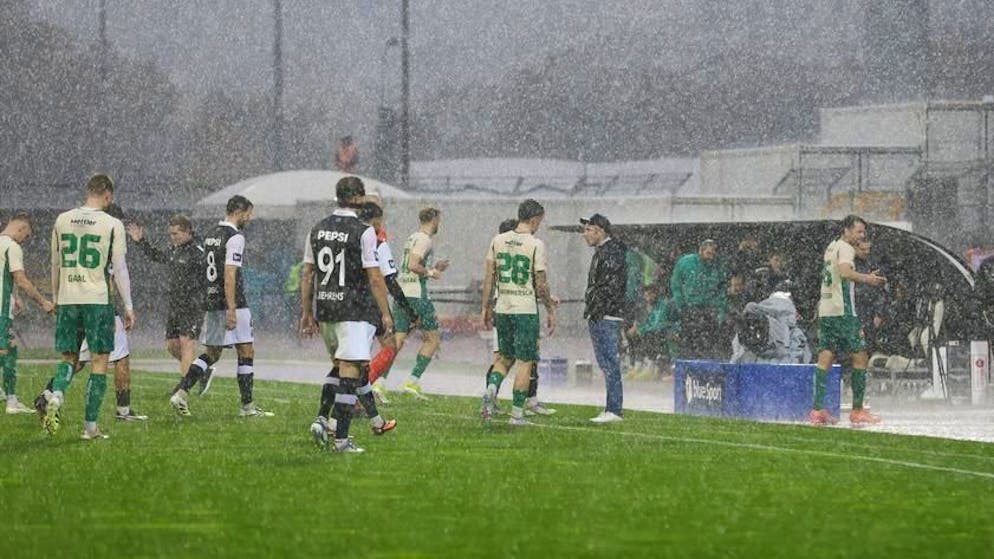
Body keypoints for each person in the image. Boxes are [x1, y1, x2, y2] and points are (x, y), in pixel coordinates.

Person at [300, 177, 395, 453]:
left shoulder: (317, 229)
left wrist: (306, 312)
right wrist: (385, 313)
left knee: (342, 367)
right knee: (350, 374)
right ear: (357, 198)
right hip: (353, 310)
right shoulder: (363, 231)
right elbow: (375, 277)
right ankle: (341, 440)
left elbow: (307, 274)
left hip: (326, 308)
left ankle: (326, 420)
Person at [39, 174, 137, 439]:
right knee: (99, 361)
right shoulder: (112, 223)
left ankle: (57, 394)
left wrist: (57, 296)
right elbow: (119, 269)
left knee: (69, 358)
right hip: (97, 300)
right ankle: (90, 427)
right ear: (108, 195)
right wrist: (128, 306)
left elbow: (55, 263)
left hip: (68, 298)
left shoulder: (62, 219)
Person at [168, 195, 273, 418]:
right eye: (248, 214)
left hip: (213, 301)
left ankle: (181, 392)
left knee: (212, 353)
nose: (249, 218)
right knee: (246, 351)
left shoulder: (211, 234)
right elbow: (229, 273)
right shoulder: (235, 237)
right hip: (233, 302)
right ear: (239, 212)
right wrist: (232, 308)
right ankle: (247, 407)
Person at [480, 200, 558, 425]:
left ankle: (492, 387)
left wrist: (485, 307)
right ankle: (517, 414)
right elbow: (541, 284)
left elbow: (489, 278)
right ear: (534, 219)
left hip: (502, 308)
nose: (539, 226)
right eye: (539, 221)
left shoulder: (498, 240)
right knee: (525, 361)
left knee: (504, 358)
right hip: (525, 310)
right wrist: (550, 308)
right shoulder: (535, 244)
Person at [810, 214, 887, 426]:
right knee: (860, 356)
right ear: (846, 230)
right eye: (858, 231)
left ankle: (817, 410)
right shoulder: (846, 248)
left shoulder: (831, 246)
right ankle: (858, 411)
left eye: (863, 232)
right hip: (843, 311)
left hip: (827, 310)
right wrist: (868, 279)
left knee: (825, 356)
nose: (861, 236)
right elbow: (845, 272)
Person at [127, 214, 211, 394]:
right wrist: (141, 242)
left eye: (176, 234)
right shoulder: (175, 249)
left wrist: (206, 301)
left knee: (186, 343)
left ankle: (182, 389)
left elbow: (210, 278)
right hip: (176, 304)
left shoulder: (198, 252)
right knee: (172, 345)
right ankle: (199, 370)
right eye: (171, 234)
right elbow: (158, 256)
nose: (173, 238)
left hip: (193, 304)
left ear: (188, 232)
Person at [356, 200, 418, 404]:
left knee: (351, 356)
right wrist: (408, 310)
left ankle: (347, 397)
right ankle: (359, 395)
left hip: (347, 303)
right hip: (371, 302)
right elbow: (390, 280)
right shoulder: (377, 244)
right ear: (376, 221)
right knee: (389, 347)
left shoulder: (351, 239)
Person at [0, 212, 55, 414]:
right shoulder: (12, 247)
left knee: (9, 347)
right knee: (6, 350)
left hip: (4, 303)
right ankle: (12, 402)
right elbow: (21, 280)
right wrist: (43, 302)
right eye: (27, 235)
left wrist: (15, 296)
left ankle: (9, 397)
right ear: (21, 227)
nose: (25, 239)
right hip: (0, 309)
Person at [392, 207, 449, 399]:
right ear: (434, 220)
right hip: (416, 295)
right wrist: (431, 272)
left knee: (397, 340)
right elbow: (413, 265)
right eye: (439, 220)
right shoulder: (425, 239)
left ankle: (378, 382)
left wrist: (434, 267)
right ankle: (412, 381)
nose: (439, 224)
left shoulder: (412, 237)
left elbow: (411, 265)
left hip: (402, 292)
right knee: (432, 340)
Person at [581, 213, 628, 423]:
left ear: (600, 231)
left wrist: (597, 305)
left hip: (606, 315)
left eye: (588, 230)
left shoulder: (611, 252)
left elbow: (610, 286)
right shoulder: (605, 251)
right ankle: (611, 407)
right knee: (606, 363)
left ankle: (614, 409)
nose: (585, 234)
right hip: (601, 313)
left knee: (610, 362)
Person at [670, 239, 728, 360]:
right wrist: (681, 304)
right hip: (690, 308)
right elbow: (676, 283)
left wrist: (719, 309)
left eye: (713, 254)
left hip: (709, 310)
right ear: (700, 250)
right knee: (689, 341)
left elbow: (722, 289)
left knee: (708, 342)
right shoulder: (686, 262)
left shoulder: (718, 266)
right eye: (708, 253)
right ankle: (688, 364)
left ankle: (705, 364)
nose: (711, 257)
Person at [625, 283, 678, 379]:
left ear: (656, 293)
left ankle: (650, 366)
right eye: (646, 296)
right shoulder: (651, 306)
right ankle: (638, 365)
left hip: (665, 331)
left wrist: (643, 330)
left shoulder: (663, 305)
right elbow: (649, 322)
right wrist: (640, 329)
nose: (648, 298)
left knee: (648, 335)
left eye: (650, 295)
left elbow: (659, 324)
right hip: (658, 331)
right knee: (637, 335)